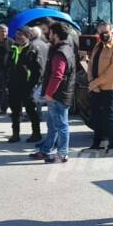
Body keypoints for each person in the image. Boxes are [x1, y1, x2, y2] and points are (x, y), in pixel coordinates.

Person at [30, 20, 76, 163]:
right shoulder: (63, 49)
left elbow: (57, 75)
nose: (47, 34)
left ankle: (62, 154)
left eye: (49, 32)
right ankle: (46, 150)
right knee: (53, 125)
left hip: (58, 96)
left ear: (55, 34)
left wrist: (49, 93)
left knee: (61, 125)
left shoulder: (61, 52)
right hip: (59, 94)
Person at [85, 20, 113, 153]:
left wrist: (95, 83)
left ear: (112, 30)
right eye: (101, 32)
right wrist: (91, 82)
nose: (103, 34)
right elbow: (90, 66)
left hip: (110, 87)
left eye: (106, 32)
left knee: (109, 117)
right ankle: (97, 143)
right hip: (96, 87)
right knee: (96, 116)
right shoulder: (97, 46)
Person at [12, 24, 48, 143]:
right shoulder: (14, 47)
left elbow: (38, 70)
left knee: (31, 111)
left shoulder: (33, 49)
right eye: (16, 35)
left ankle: (36, 134)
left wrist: (32, 85)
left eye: (20, 35)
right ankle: (15, 134)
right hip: (14, 84)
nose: (17, 37)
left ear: (27, 36)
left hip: (27, 86)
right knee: (15, 111)